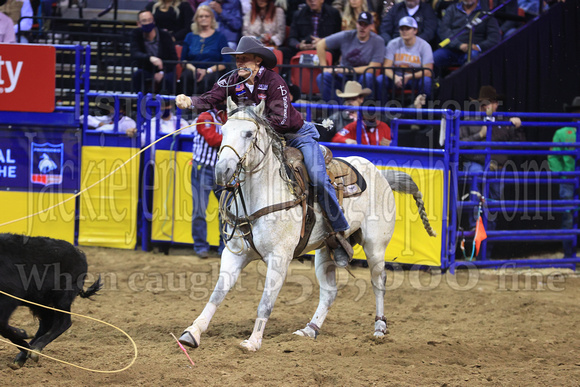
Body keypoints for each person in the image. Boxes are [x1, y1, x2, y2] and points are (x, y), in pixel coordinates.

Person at [175, 36, 354, 266]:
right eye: (238, 60)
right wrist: (189, 101)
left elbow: (282, 119)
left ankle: (339, 232)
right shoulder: (231, 81)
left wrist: (253, 126)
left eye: (245, 59)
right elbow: (211, 98)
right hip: (262, 139)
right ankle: (243, 231)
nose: (240, 64)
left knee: (318, 177)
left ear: (257, 61)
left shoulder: (274, 82)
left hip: (296, 136)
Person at [460, 86, 524, 235]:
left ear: (496, 104)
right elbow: (459, 143)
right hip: (476, 162)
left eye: (489, 103)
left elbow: (519, 144)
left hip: (498, 166)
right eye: (483, 103)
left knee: (492, 203)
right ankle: (474, 227)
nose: (486, 106)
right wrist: (479, 135)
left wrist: (517, 127)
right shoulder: (469, 120)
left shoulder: (505, 122)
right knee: (477, 184)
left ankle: (487, 242)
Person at [315, 12, 385, 103]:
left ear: (371, 26)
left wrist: (346, 70)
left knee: (367, 77)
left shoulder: (378, 41)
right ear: (356, 24)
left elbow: (371, 69)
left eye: (366, 25)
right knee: (323, 77)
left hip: (360, 76)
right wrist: (324, 68)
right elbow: (320, 45)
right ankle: (336, 111)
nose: (362, 27)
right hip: (343, 76)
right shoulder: (346, 35)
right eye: (360, 24)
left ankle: (364, 113)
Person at [191, 108, 226, 258]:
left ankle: (224, 247)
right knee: (200, 209)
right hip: (203, 168)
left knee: (226, 211)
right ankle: (200, 246)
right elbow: (212, 139)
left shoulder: (227, 116)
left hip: (223, 169)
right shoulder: (205, 117)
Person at [547, 96, 580, 257]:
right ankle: (569, 253)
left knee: (569, 216)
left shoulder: (561, 133)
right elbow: (553, 156)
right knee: (568, 216)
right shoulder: (562, 133)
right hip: (569, 180)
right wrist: (562, 175)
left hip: (571, 179)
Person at [376, 16, 433, 103]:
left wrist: (409, 76)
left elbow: (428, 71)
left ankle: (422, 112)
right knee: (380, 79)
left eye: (407, 28)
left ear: (415, 30)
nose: (404, 31)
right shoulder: (393, 44)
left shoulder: (424, 46)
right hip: (396, 78)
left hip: (414, 79)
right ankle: (383, 112)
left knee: (426, 81)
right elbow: (386, 67)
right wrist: (395, 78)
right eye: (402, 29)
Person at [433, 0, 500, 69]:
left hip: (473, 51)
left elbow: (494, 38)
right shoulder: (452, 9)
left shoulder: (485, 13)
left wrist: (477, 47)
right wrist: (459, 45)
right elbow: (443, 31)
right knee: (434, 57)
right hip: (452, 49)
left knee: (473, 57)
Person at [180, 5, 229, 95]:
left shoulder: (220, 37)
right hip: (192, 69)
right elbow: (183, 60)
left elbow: (226, 61)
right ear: (196, 19)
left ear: (212, 18)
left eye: (207, 16)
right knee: (186, 76)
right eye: (200, 16)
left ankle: (203, 106)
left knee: (209, 79)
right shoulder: (190, 36)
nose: (204, 18)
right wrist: (194, 70)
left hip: (213, 70)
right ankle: (186, 105)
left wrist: (207, 71)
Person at [280, 0, 342, 65]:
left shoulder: (333, 13)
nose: (312, 1)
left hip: (325, 48)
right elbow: (291, 38)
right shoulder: (298, 14)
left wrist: (322, 43)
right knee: (283, 51)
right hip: (302, 49)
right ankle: (286, 74)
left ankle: (327, 73)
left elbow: (337, 38)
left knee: (332, 53)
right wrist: (299, 45)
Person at [130, 10, 178, 94]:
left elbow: (174, 58)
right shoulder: (136, 34)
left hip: (166, 70)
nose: (148, 23)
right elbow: (135, 53)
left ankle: (166, 105)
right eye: (144, 21)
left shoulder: (165, 35)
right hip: (147, 69)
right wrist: (150, 58)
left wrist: (162, 72)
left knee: (169, 79)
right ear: (138, 24)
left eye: (150, 20)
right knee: (138, 75)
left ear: (154, 21)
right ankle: (141, 102)